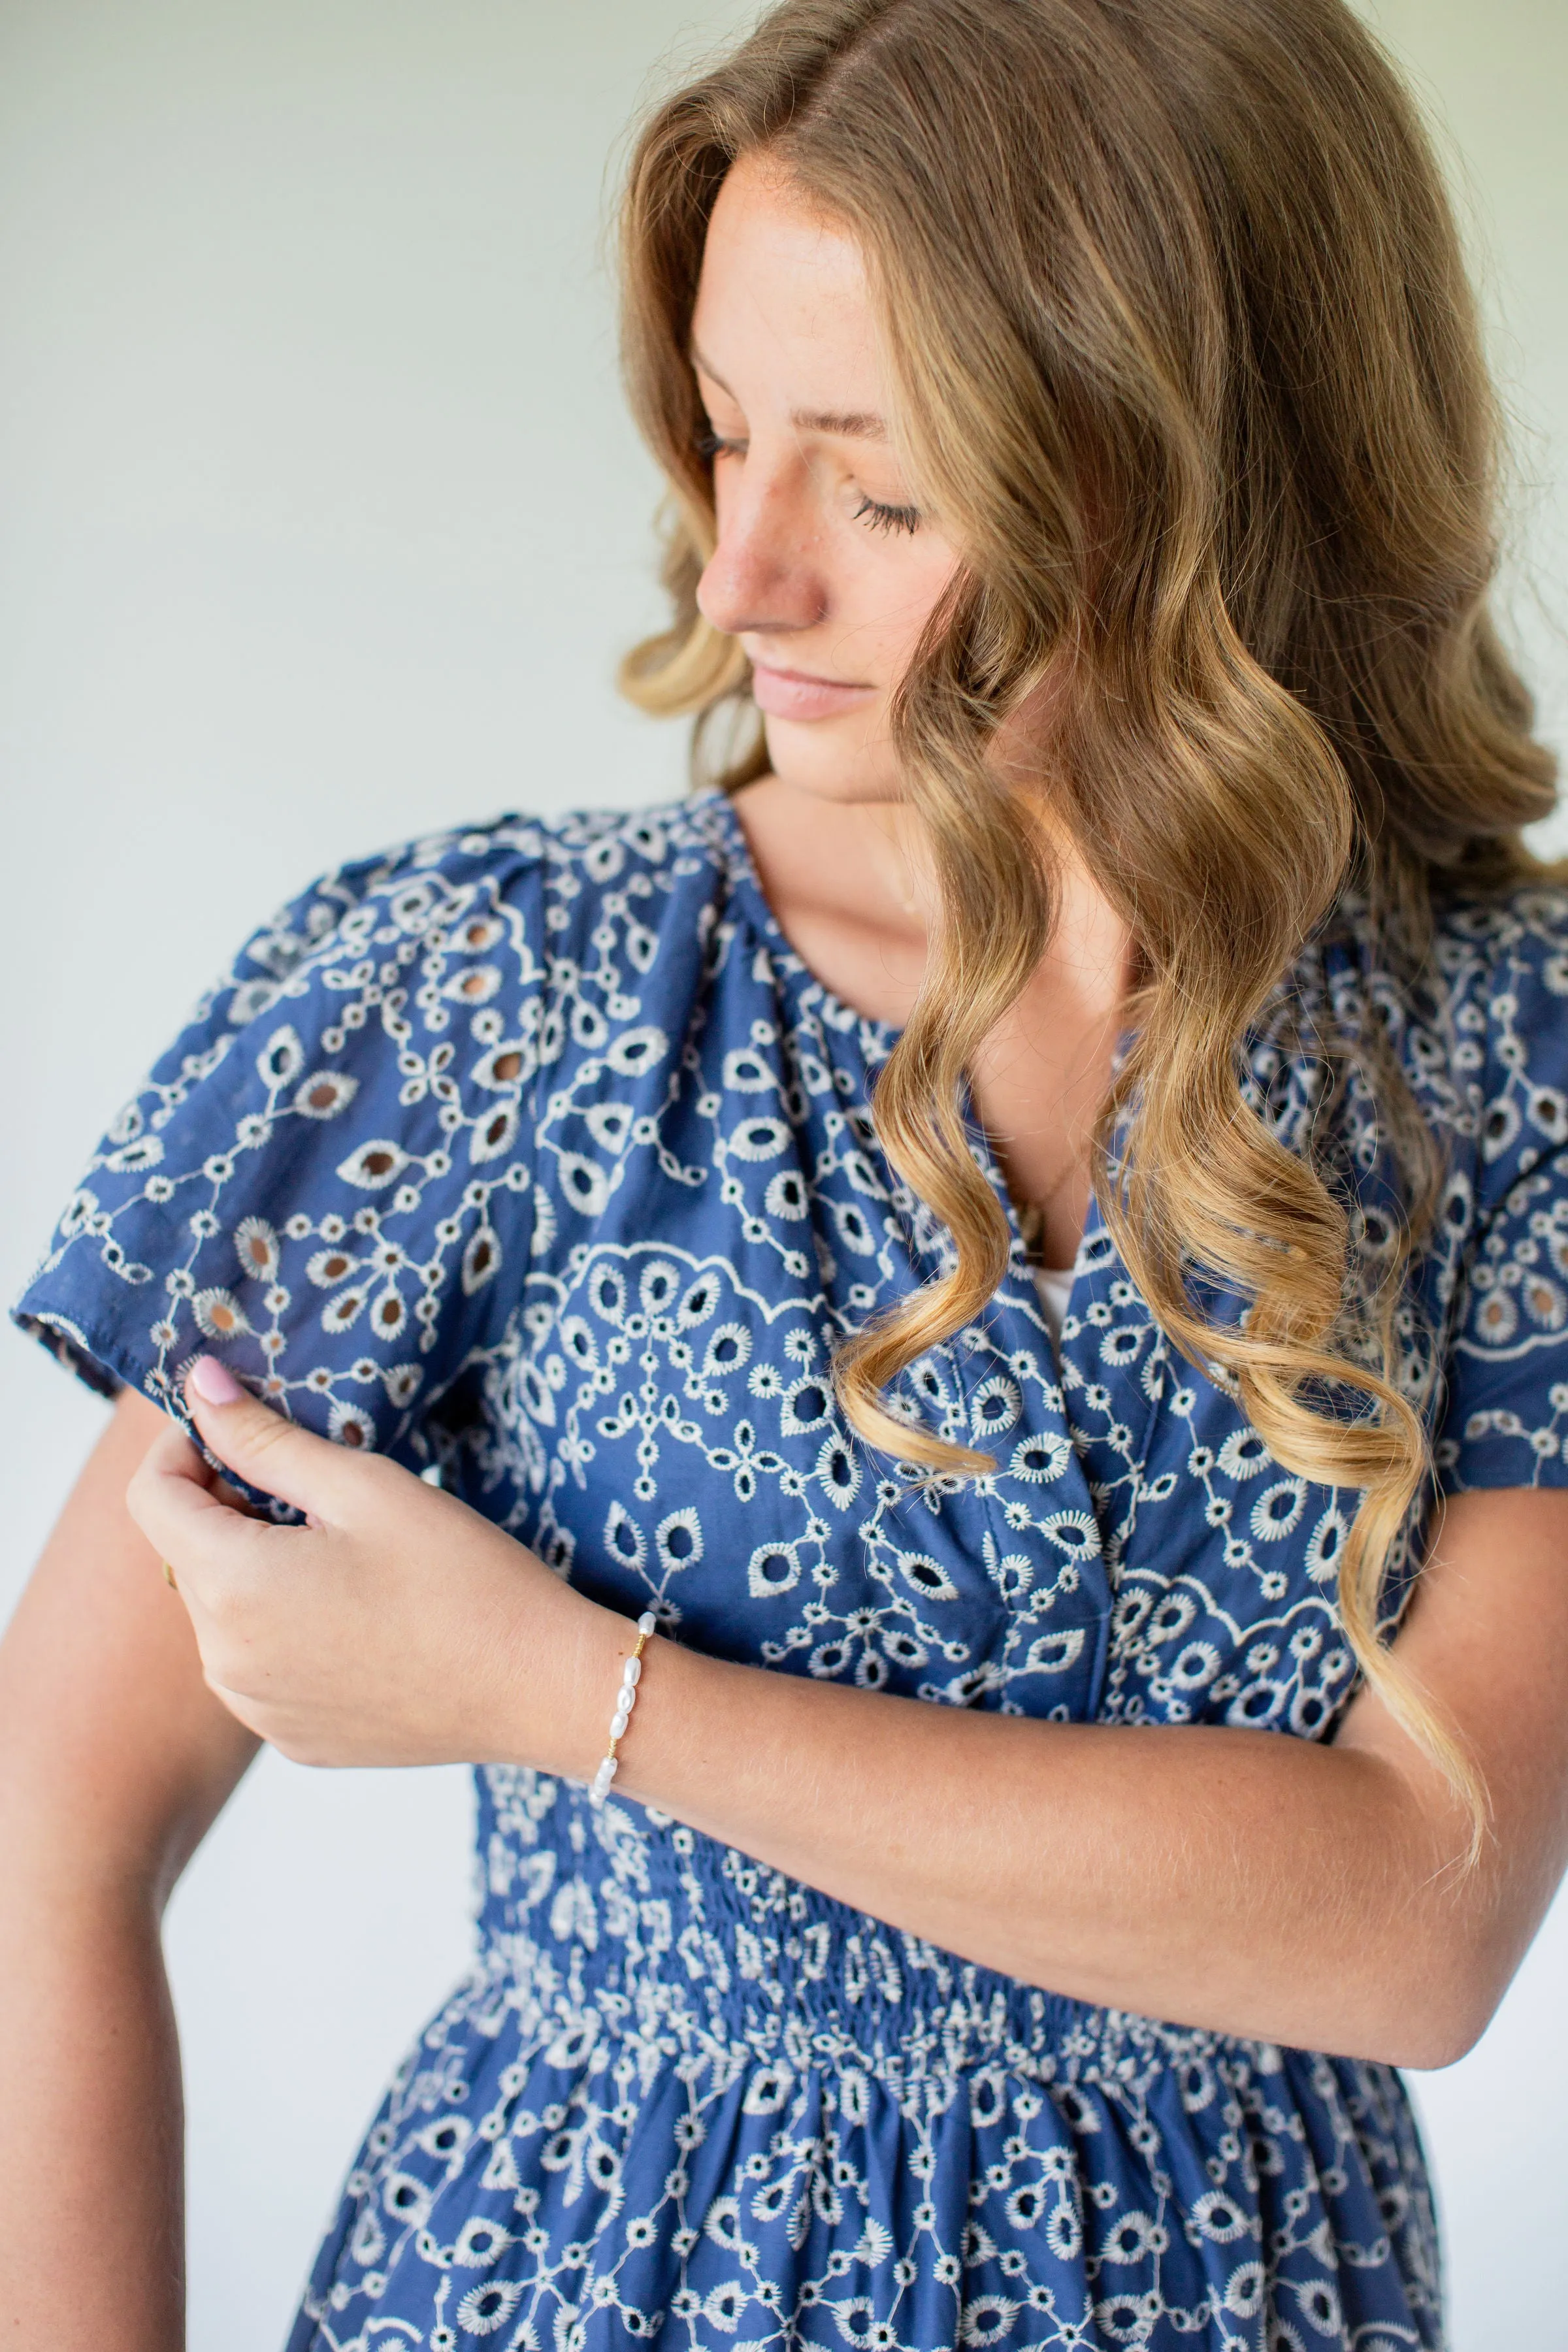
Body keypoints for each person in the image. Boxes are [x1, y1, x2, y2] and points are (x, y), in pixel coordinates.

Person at [5, 0, 1568, 2343]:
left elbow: (1417, 1926)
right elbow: (51, 1835)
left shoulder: (1498, 1051)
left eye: (883, 485)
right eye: (727, 434)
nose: (745, 578)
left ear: (1211, 477)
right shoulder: (465, 996)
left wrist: (557, 1689)